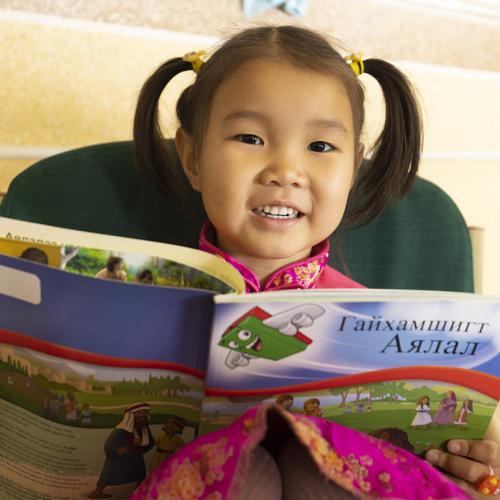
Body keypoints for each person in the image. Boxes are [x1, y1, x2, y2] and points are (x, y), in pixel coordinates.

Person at [131, 25, 498, 499]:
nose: (285, 170)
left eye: (320, 147)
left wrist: (479, 463)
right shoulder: (139, 303)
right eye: (249, 137)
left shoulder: (388, 326)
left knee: (320, 468)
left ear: (353, 169)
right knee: (249, 470)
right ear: (192, 158)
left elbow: (483, 441)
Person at [89, 403, 154, 498]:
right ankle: (98, 492)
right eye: (138, 413)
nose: (142, 416)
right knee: (109, 475)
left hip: (136, 458)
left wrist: (141, 444)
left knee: (140, 474)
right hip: (120, 460)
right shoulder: (121, 430)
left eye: (145, 413)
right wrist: (118, 449)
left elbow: (150, 443)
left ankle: (139, 489)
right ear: (130, 416)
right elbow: (109, 444)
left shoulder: (144, 429)